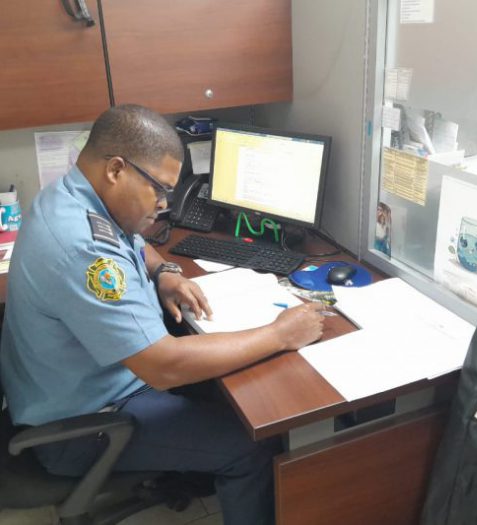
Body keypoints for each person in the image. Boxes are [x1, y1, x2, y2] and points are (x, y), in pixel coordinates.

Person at [0, 104, 325, 525]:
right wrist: (280, 334)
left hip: (68, 389)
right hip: (83, 424)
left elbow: (130, 239)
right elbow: (163, 367)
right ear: (116, 169)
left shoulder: (71, 196)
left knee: (230, 390)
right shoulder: (83, 249)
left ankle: (193, 468)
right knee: (252, 445)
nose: (163, 204)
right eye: (158, 189)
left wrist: (164, 271)